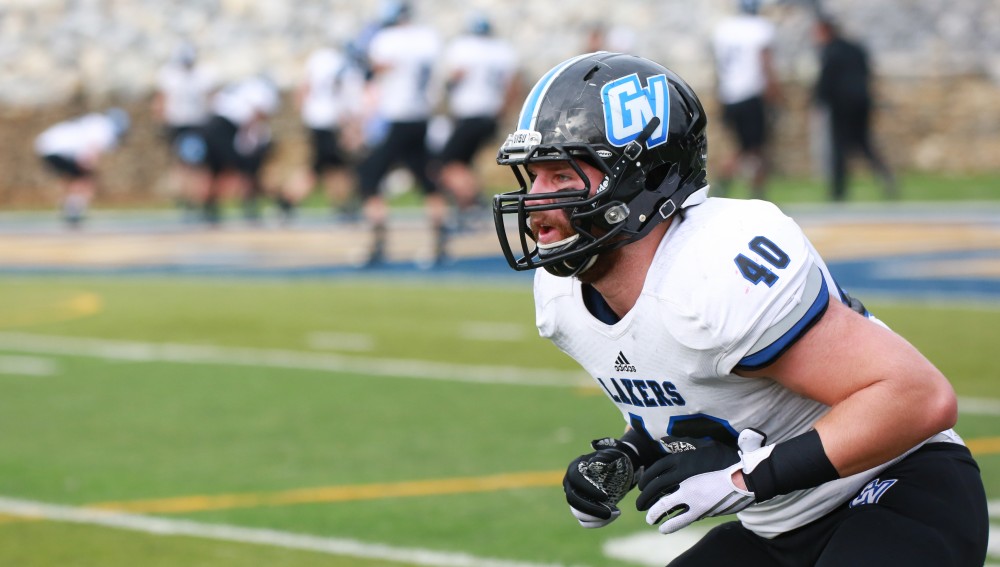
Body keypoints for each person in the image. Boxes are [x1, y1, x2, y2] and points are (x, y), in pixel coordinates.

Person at [491, 52, 988, 566]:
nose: (535, 204)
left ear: (645, 178)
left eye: (561, 176)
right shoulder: (562, 298)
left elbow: (916, 397)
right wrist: (630, 453)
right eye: (533, 178)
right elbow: (694, 396)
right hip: (778, 525)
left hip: (893, 491)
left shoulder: (714, 269)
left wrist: (741, 479)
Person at [355, 0, 444, 267]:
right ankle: (439, 239)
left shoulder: (388, 39)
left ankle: (377, 241)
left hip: (399, 118)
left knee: (368, 177)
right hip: (421, 116)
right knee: (427, 179)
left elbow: (376, 68)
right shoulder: (427, 38)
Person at [435, 14, 520, 225]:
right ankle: (469, 206)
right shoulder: (502, 50)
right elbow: (512, 87)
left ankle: (473, 204)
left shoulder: (463, 47)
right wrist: (502, 112)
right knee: (463, 163)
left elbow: (454, 77)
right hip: (489, 116)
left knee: (446, 164)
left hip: (470, 115)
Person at [277, 45, 365, 222]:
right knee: (325, 167)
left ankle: (340, 203)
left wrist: (303, 113)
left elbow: (303, 89)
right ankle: (288, 198)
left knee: (332, 166)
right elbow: (346, 99)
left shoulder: (319, 58)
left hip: (315, 119)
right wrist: (351, 126)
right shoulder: (346, 66)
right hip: (329, 122)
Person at [175, 76, 279, 225]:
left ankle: (206, 208)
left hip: (211, 124)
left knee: (213, 170)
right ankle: (247, 206)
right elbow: (253, 118)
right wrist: (248, 142)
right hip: (224, 128)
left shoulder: (241, 88)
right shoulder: (260, 91)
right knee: (239, 168)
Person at [813, 17, 897, 202]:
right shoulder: (855, 48)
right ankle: (886, 178)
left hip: (841, 106)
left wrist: (818, 101)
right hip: (861, 102)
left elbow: (826, 81)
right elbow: (867, 72)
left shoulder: (830, 51)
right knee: (864, 144)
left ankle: (838, 191)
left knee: (838, 149)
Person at [711, 0, 782, 199]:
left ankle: (721, 188)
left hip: (729, 95)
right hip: (750, 96)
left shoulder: (724, 28)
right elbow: (765, 63)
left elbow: (718, 66)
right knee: (757, 149)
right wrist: (775, 94)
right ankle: (758, 193)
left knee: (738, 148)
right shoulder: (760, 28)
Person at [34, 108, 130, 227]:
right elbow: (91, 150)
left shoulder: (96, 121)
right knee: (85, 181)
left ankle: (70, 209)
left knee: (75, 179)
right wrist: (88, 172)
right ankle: (74, 212)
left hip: (47, 146)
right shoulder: (105, 128)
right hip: (58, 149)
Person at [153, 42, 217, 215]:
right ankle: (186, 199)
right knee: (184, 165)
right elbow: (161, 101)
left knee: (198, 164)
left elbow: (211, 99)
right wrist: (162, 120)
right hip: (178, 124)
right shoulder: (169, 74)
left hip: (197, 124)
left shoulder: (202, 74)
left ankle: (198, 199)